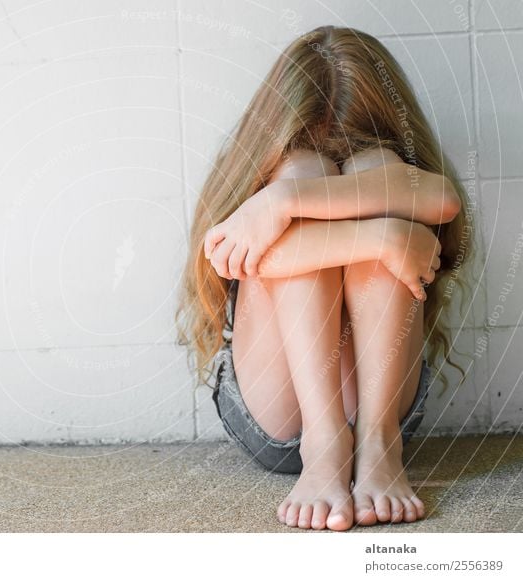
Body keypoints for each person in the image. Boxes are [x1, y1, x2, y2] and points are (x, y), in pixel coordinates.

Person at [175, 25, 475, 531]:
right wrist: (378, 236)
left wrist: (286, 204)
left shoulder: (390, 166)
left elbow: (443, 200)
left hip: (379, 413)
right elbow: (241, 261)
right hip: (279, 410)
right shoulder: (273, 173)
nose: (337, 158)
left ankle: (378, 445)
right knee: (302, 170)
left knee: (375, 169)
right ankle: (323, 442)